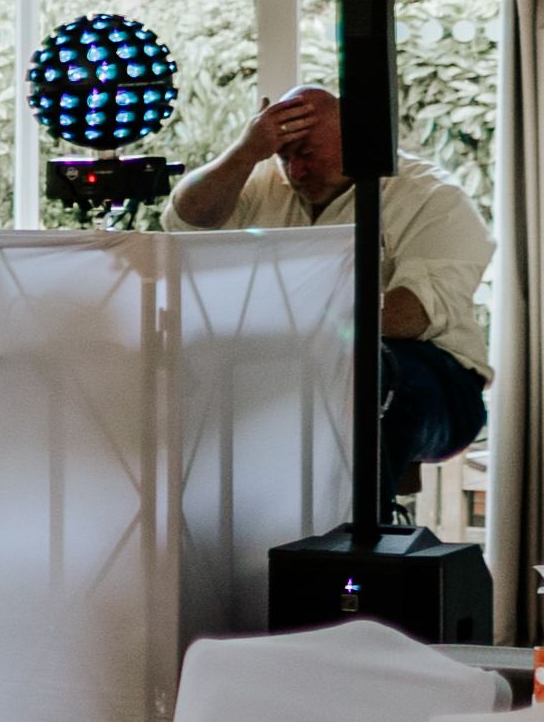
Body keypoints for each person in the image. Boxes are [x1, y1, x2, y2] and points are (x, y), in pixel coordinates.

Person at [173, 84, 495, 482]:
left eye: (306, 154)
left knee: (366, 372)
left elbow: (409, 315)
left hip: (434, 377)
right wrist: (245, 152)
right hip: (294, 368)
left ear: (356, 134)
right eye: (285, 158)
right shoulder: (265, 184)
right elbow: (187, 220)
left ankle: (358, 535)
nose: (296, 172)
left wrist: (288, 322)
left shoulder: (433, 197)